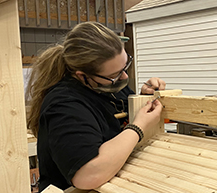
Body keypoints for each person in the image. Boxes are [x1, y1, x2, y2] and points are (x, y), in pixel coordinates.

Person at [26, 21, 166, 192]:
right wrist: (138, 127)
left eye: (125, 66)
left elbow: (119, 115)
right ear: (83, 76)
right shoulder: (64, 104)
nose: (123, 77)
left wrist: (144, 98)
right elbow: (87, 175)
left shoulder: (107, 85)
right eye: (114, 75)